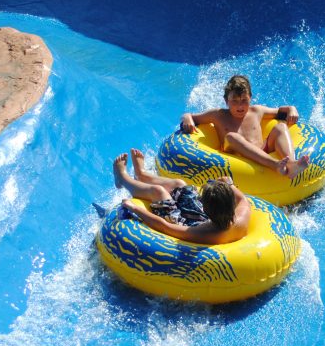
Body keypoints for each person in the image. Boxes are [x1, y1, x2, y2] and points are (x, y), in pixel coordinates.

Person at [179, 74, 311, 179]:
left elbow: (281, 112)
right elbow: (192, 117)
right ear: (226, 101)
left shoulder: (257, 111)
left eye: (244, 100)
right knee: (231, 137)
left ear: (250, 98)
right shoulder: (217, 115)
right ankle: (275, 165)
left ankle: (292, 164)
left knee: (281, 127)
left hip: (262, 151)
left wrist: (291, 109)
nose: (240, 106)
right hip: (235, 158)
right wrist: (186, 117)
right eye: (234, 101)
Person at [113, 149, 251, 245]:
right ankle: (142, 175)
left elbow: (165, 227)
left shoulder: (203, 233)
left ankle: (122, 178)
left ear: (204, 207)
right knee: (180, 185)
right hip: (205, 218)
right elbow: (243, 199)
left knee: (159, 192)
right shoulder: (242, 216)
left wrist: (136, 209)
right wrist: (229, 184)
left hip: (182, 222)